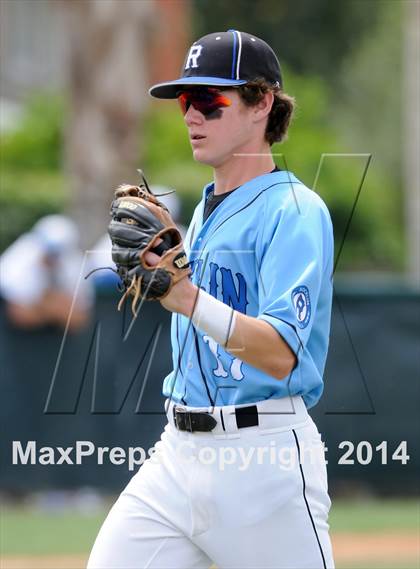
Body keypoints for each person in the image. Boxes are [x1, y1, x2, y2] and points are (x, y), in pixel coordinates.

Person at [88, 30, 335, 569]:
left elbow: (281, 354)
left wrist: (187, 297)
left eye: (209, 100)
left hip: (262, 459)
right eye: (184, 101)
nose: (191, 115)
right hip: (178, 453)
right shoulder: (203, 213)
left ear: (262, 102)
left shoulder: (295, 210)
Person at [0, 214, 93, 331]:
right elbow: (20, 314)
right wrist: (56, 308)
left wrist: (40, 307)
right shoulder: (18, 260)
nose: (52, 258)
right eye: (49, 251)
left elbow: (79, 319)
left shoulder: (75, 263)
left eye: (57, 253)